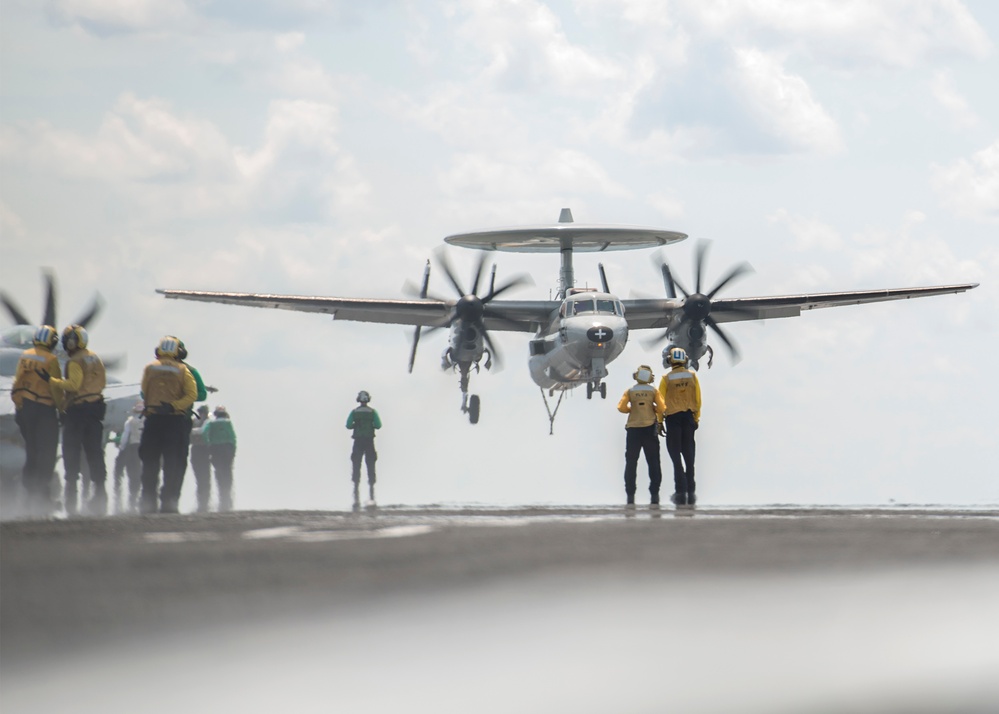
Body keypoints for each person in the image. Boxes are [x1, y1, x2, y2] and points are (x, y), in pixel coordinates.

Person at [52, 324, 108, 516]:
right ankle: (100, 495)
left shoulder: (74, 361)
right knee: (95, 452)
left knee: (71, 451)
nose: (67, 343)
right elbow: (102, 382)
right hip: (95, 411)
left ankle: (71, 497)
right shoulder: (95, 358)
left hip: (77, 412)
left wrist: (53, 381)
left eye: (69, 339)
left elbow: (73, 385)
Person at [138, 336, 197, 514]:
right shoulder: (183, 370)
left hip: (153, 420)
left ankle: (148, 501)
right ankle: (168, 503)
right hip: (174, 421)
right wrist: (173, 406)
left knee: (150, 462)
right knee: (172, 463)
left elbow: (143, 391)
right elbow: (191, 395)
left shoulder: (150, 368)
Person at [10, 325, 63, 516]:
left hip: (25, 410)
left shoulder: (25, 356)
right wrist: (62, 409)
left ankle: (28, 496)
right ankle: (43, 495)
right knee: (47, 454)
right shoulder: (51, 359)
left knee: (31, 452)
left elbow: (17, 383)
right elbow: (56, 387)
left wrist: (19, 407)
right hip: (45, 411)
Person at [616, 364, 667, 506]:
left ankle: (630, 495)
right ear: (650, 377)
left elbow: (621, 407)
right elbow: (663, 408)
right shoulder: (653, 391)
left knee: (631, 462)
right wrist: (653, 408)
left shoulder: (630, 391)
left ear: (636, 376)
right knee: (654, 462)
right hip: (649, 429)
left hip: (633, 429)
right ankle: (655, 494)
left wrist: (630, 410)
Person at [659, 346, 701, 506]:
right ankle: (691, 491)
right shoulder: (692, 377)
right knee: (689, 457)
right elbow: (698, 399)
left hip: (673, 420)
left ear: (669, 360)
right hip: (689, 419)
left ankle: (680, 491)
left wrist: (659, 421)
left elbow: (661, 402)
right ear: (685, 360)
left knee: (675, 456)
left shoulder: (666, 378)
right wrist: (696, 418)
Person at [346, 390, 381, 507]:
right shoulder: (372, 412)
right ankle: (371, 488)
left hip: (358, 441)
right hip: (369, 441)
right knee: (371, 464)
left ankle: (356, 489)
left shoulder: (354, 412)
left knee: (356, 463)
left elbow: (348, 425)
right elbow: (378, 425)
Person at [201, 405, 236, 511]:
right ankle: (227, 499)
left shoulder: (211, 423)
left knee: (219, 472)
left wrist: (208, 444)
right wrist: (233, 450)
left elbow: (203, 433)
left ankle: (222, 498)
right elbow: (233, 437)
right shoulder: (228, 423)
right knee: (227, 473)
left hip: (215, 450)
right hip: (227, 449)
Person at [116, 401, 145, 513]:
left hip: (133, 449)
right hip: (145, 449)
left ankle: (132, 502)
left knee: (133, 476)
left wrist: (121, 449)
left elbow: (124, 437)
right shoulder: (148, 421)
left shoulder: (129, 421)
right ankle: (143, 501)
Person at [189, 404, 213, 512]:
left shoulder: (198, 422)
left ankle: (204, 503)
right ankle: (202, 503)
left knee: (203, 478)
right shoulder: (199, 422)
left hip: (202, 450)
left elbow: (200, 432)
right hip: (200, 450)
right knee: (202, 478)